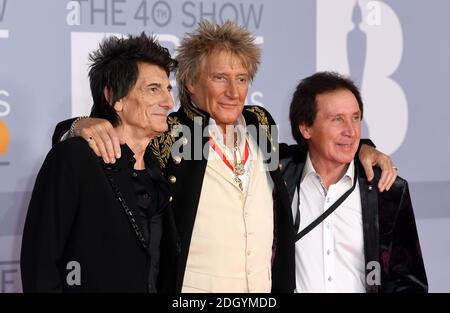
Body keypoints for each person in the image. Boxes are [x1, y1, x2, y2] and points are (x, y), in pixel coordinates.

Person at [52, 21, 397, 293]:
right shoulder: (169, 132)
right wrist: (79, 124)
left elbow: (304, 154)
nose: (234, 92)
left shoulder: (259, 123)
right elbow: (116, 138)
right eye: (220, 78)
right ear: (189, 82)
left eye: (242, 79)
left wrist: (362, 146)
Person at [20, 33, 177, 292]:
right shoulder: (74, 158)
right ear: (115, 97)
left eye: (168, 90)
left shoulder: (158, 166)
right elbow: (40, 264)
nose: (168, 102)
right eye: (153, 89)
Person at [280, 71, 427, 293]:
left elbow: (409, 283)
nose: (351, 131)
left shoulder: (387, 190)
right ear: (305, 127)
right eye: (337, 119)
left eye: (355, 118)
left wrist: (364, 146)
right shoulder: (277, 179)